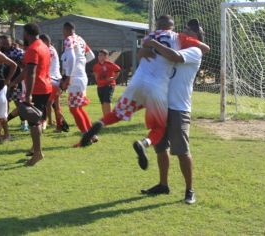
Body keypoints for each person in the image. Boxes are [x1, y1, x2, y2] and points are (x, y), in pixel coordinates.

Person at [80, 15, 209, 168]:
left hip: (137, 81)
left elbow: (142, 54)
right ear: (172, 27)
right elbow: (205, 48)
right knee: (159, 128)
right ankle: (144, 143)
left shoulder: (149, 36)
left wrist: (146, 49)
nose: (186, 31)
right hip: (157, 88)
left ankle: (99, 124)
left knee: (117, 113)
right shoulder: (178, 38)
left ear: (156, 26)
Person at [140, 19, 208, 204]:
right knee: (161, 148)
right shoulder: (171, 47)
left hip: (179, 107)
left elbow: (174, 57)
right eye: (184, 29)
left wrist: (153, 42)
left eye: (189, 32)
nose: (184, 33)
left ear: (196, 38)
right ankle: (163, 185)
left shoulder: (195, 51)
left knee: (182, 151)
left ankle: (189, 190)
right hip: (161, 104)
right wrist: (146, 47)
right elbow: (147, 57)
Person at [21, 23, 52, 166]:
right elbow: (28, 70)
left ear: (27, 33)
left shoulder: (32, 49)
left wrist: (28, 95)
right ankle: (35, 148)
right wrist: (14, 81)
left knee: (34, 121)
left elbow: (31, 72)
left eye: (23, 33)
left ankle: (38, 153)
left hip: (38, 89)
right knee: (37, 118)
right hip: (46, 86)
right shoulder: (44, 46)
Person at [61, 22, 95, 146]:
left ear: (66, 30)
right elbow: (91, 56)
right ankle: (92, 134)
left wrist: (69, 76)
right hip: (81, 76)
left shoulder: (69, 39)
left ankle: (86, 139)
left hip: (74, 78)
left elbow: (71, 57)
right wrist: (81, 64)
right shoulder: (80, 39)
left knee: (74, 109)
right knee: (78, 108)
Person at [0, 35, 29, 132]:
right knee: (4, 103)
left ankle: (24, 123)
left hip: (16, 81)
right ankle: (3, 123)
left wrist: (17, 61)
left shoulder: (18, 51)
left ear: (11, 42)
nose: (5, 44)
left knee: (19, 104)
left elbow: (25, 66)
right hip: (3, 82)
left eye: (7, 42)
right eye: (3, 42)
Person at [39, 34, 67, 132]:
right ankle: (58, 125)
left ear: (45, 42)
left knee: (47, 104)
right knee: (55, 105)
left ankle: (44, 124)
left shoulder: (48, 50)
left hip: (51, 81)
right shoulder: (52, 49)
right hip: (56, 80)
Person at [92, 49, 121, 115]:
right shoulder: (96, 66)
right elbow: (95, 73)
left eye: (101, 55)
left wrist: (113, 78)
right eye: (99, 55)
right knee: (102, 102)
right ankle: (105, 117)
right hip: (100, 86)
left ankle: (109, 117)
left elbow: (118, 70)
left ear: (106, 56)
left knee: (107, 101)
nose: (99, 57)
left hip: (109, 85)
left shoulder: (109, 64)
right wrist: (97, 80)